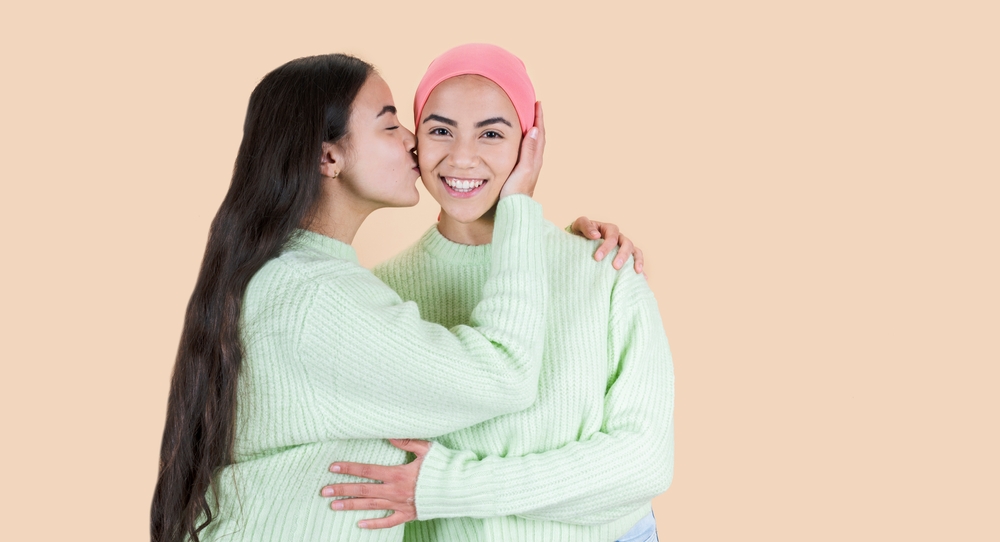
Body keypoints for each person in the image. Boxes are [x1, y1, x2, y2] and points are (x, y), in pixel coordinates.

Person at [150, 53, 637, 542]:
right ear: (329, 157)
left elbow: (640, 459)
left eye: (491, 133)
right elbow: (503, 372)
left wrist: (562, 248)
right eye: (391, 126)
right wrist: (520, 213)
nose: (412, 142)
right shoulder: (318, 298)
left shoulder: (314, 282)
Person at [321, 44, 674, 542]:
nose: (462, 157)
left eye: (491, 133)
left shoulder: (606, 268)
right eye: (440, 130)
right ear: (415, 141)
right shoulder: (380, 293)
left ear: (530, 143)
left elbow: (643, 464)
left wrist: (447, 487)